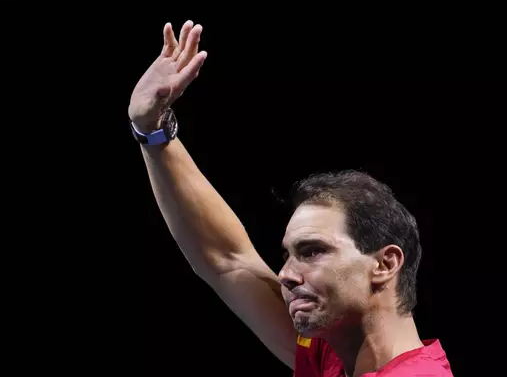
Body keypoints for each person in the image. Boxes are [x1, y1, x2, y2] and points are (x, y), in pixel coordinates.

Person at [129, 20, 453, 377]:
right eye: (288, 255)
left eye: (312, 251)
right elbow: (227, 258)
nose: (285, 274)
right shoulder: (334, 354)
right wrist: (152, 131)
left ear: (385, 264)